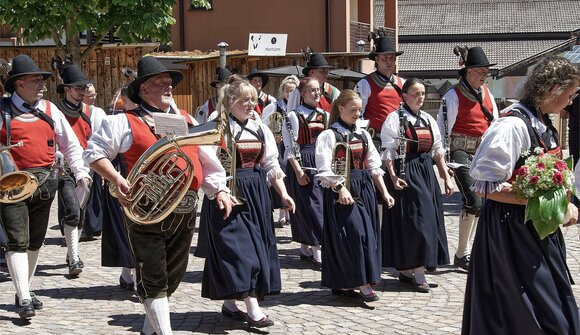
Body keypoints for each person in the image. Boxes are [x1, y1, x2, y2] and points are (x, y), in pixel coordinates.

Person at [83, 56, 234, 335]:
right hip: (146, 209)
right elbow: (93, 153)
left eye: (169, 83)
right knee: (153, 276)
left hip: (185, 208)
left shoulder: (186, 119)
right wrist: (116, 178)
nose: (168, 87)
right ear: (143, 89)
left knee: (172, 277)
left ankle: (149, 330)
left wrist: (220, 190)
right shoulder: (123, 122)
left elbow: (208, 160)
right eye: (160, 83)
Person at [462, 55, 580, 335]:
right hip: (509, 232)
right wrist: (541, 200)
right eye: (570, 94)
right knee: (523, 308)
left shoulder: (542, 122)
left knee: (551, 305)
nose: (571, 101)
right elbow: (484, 186)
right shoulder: (512, 126)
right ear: (553, 89)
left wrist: (560, 201)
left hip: (537, 229)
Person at [0, 54, 91, 319]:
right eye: (35, 80)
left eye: (42, 79)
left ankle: (23, 289)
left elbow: (71, 145)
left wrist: (81, 172)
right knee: (18, 240)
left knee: (35, 241)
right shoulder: (2, 110)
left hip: (46, 183)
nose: (42, 85)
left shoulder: (51, 110)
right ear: (18, 84)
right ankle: (25, 298)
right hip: (11, 185)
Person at [201, 79, 294, 327]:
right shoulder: (216, 128)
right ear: (231, 102)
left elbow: (271, 164)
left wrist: (283, 193)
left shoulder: (259, 128)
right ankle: (253, 308)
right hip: (228, 193)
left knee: (256, 247)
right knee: (241, 252)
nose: (252, 104)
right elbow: (207, 164)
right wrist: (219, 190)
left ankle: (231, 303)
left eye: (254, 99)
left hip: (256, 193)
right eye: (246, 100)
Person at [315, 89, 394, 301]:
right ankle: (362, 283)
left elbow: (374, 166)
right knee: (354, 235)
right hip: (342, 189)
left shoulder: (363, 134)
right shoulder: (329, 135)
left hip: (364, 188)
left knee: (367, 235)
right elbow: (324, 169)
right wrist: (340, 188)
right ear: (340, 108)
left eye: (359, 110)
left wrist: (385, 193)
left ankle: (344, 282)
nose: (357, 114)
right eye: (353, 110)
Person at [380, 78, 452, 292]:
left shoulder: (428, 119)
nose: (420, 97)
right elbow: (389, 152)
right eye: (415, 93)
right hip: (406, 172)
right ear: (404, 96)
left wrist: (445, 175)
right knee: (415, 222)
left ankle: (407, 270)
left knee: (429, 219)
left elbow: (437, 150)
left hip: (425, 173)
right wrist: (393, 177)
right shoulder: (395, 119)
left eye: (422, 93)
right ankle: (417, 273)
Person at [436, 46, 499, 271]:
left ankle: (468, 252)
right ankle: (462, 254)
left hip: (482, 153)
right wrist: (445, 164)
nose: (485, 74)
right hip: (460, 152)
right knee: (474, 200)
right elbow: (443, 130)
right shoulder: (452, 96)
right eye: (481, 70)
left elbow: (495, 126)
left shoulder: (488, 94)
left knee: (483, 205)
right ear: (468, 71)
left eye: (486, 71)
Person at [54, 64, 106, 276]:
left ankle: (71, 251)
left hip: (86, 169)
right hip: (65, 169)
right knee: (72, 212)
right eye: (77, 88)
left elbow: (94, 140)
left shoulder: (89, 112)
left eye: (83, 88)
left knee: (81, 213)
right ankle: (74, 259)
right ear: (66, 89)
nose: (82, 92)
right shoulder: (55, 112)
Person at [282, 77, 328, 267]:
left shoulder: (324, 114)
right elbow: (289, 147)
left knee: (319, 205)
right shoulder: (293, 116)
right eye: (312, 90)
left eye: (318, 90)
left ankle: (305, 247)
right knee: (309, 206)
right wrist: (299, 171)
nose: (317, 93)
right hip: (303, 162)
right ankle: (317, 248)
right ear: (302, 94)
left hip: (321, 160)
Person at [100, 86, 138, 291]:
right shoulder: (116, 115)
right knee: (123, 225)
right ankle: (129, 271)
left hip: (144, 177)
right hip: (121, 173)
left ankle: (129, 273)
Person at [355, 34, 405, 141]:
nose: (389, 61)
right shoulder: (364, 84)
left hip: (398, 140)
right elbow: (358, 114)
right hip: (376, 140)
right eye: (385, 58)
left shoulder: (403, 84)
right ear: (377, 59)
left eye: (392, 58)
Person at [267, 75, 299, 228]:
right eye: (286, 90)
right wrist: (273, 137)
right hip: (279, 146)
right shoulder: (275, 106)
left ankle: (293, 211)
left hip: (295, 145)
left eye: (292, 91)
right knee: (282, 174)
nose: (288, 94)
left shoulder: (300, 107)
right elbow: (266, 124)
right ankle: (282, 212)